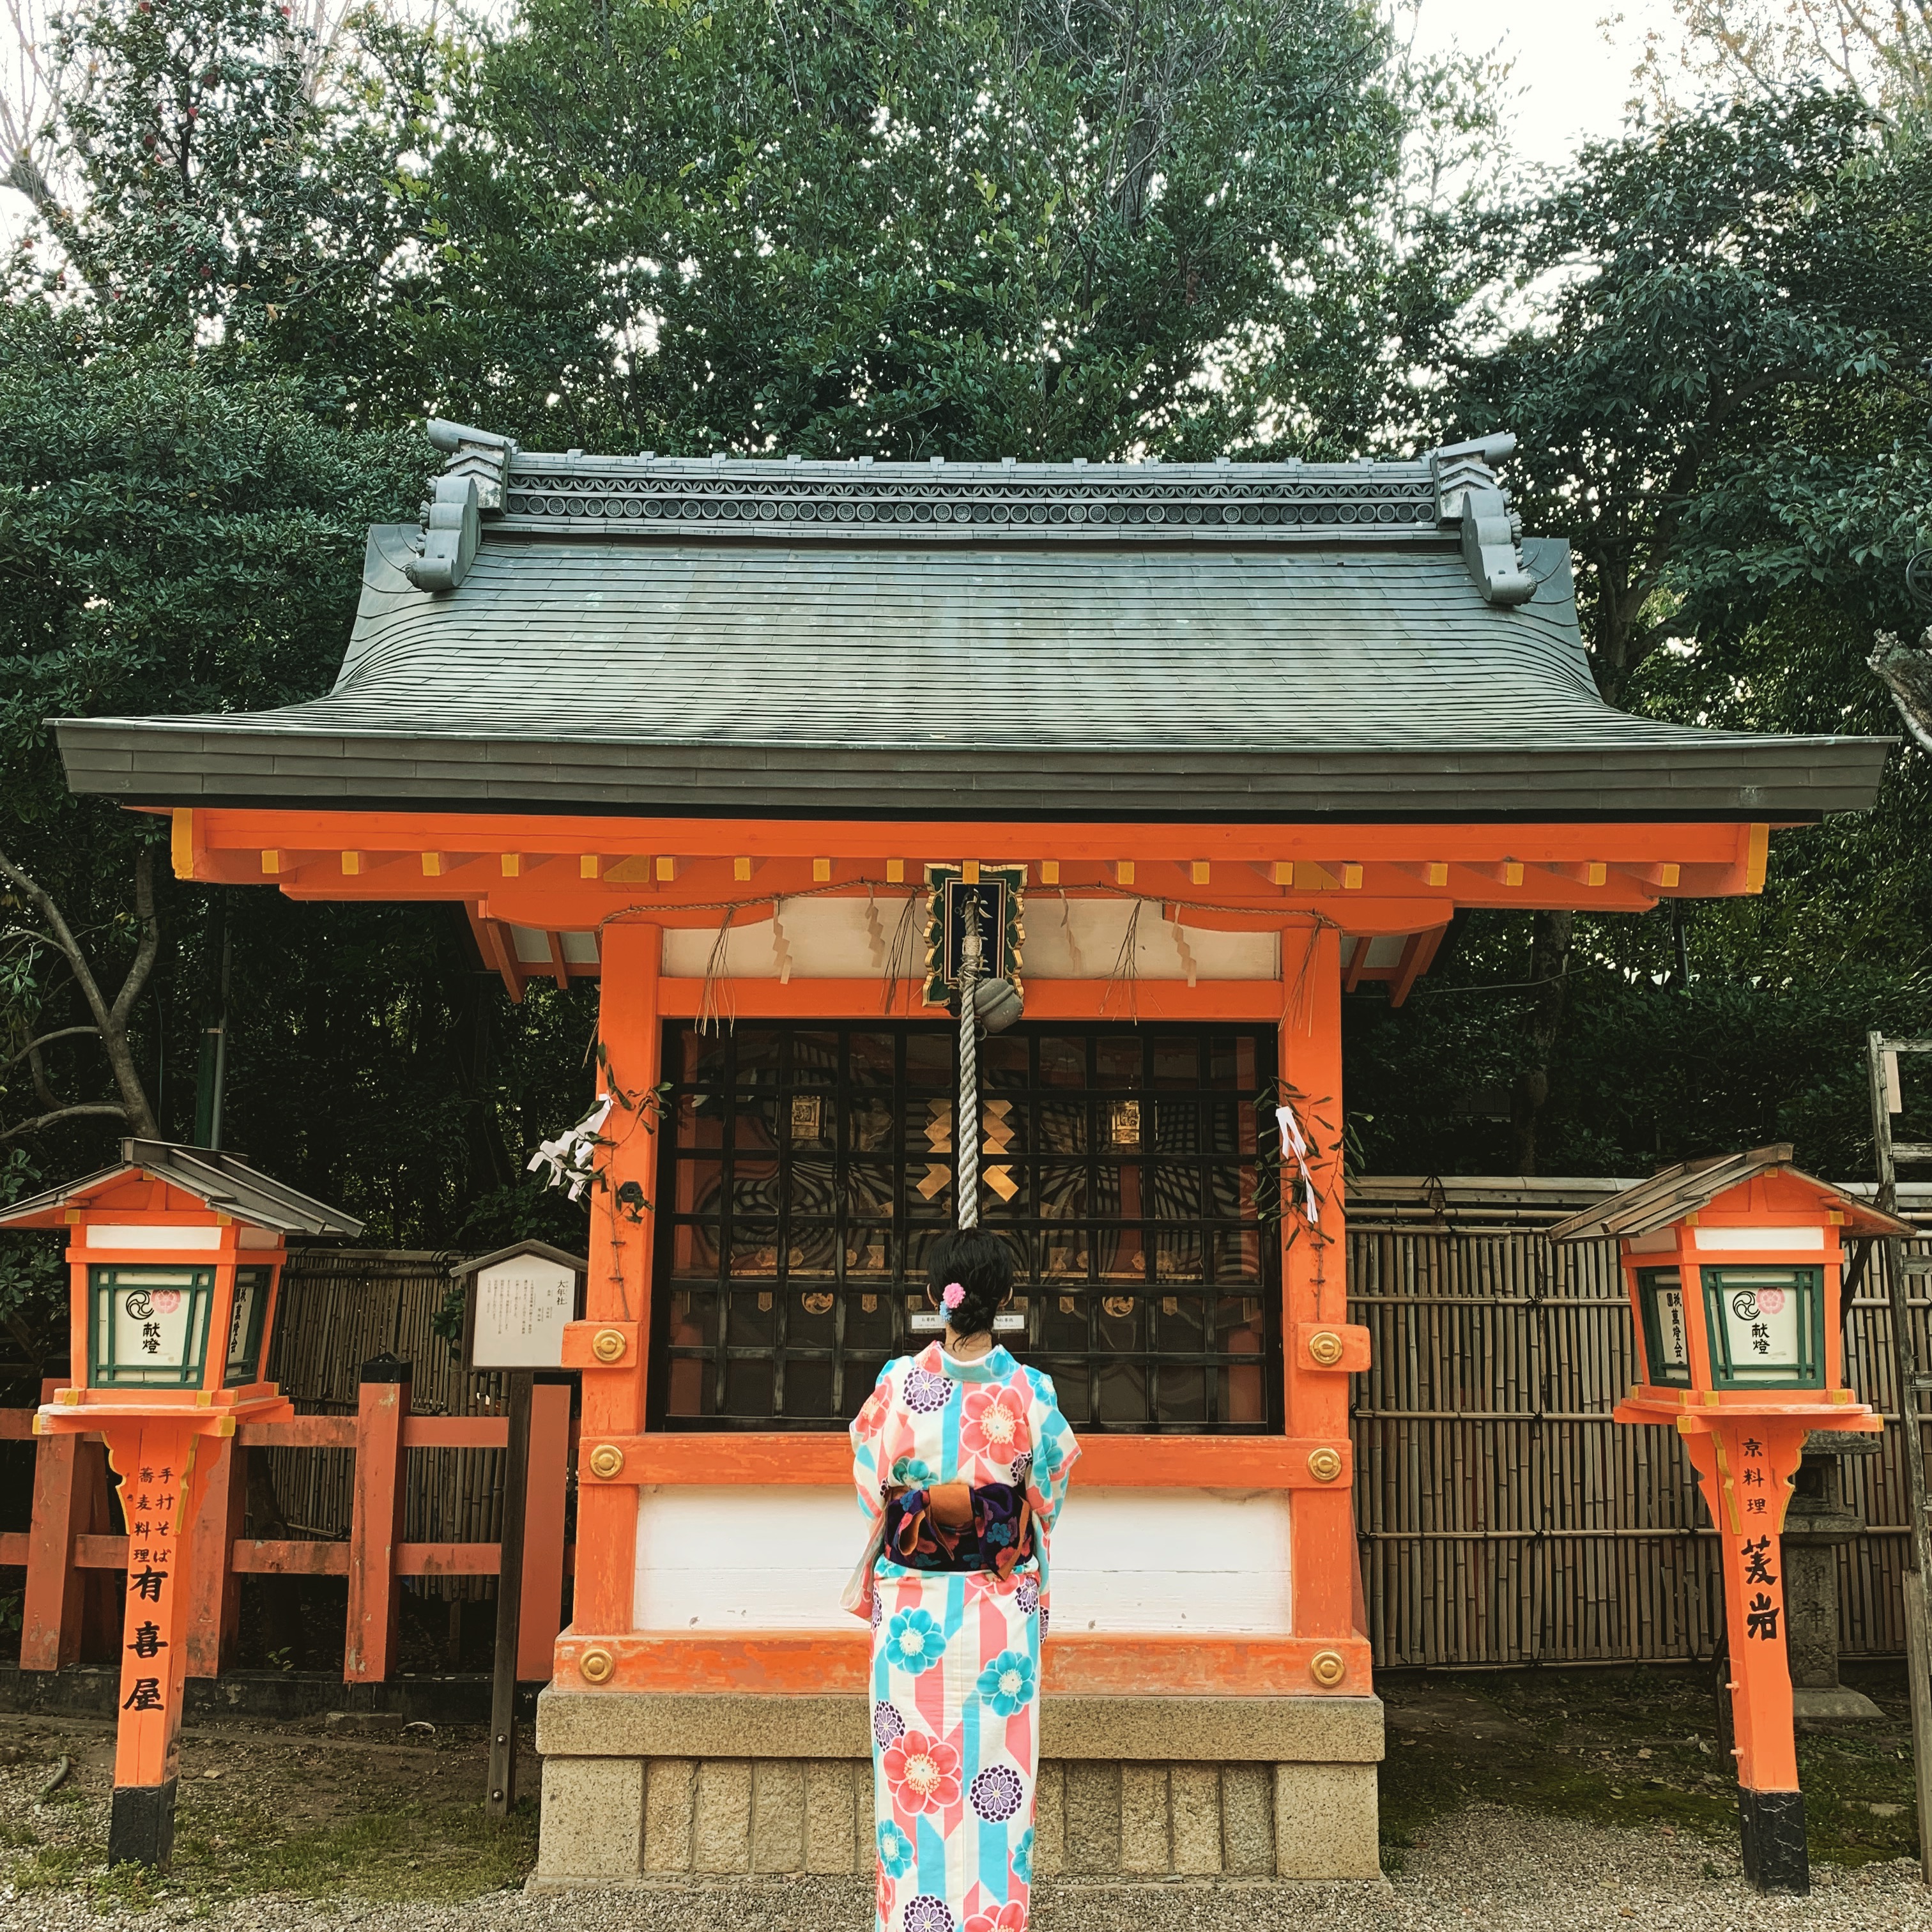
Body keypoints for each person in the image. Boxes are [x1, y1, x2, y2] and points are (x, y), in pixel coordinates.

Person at [848, 1228, 1080, 1932]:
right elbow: (1049, 1492)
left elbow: (870, 1486)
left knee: (910, 1776)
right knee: (996, 1772)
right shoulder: (1030, 1391)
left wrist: (923, 1505)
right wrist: (991, 1508)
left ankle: (911, 1921)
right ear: (1005, 1300)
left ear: (933, 1298)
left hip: (911, 1606)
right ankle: (993, 1918)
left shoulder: (894, 1385)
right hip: (996, 1611)